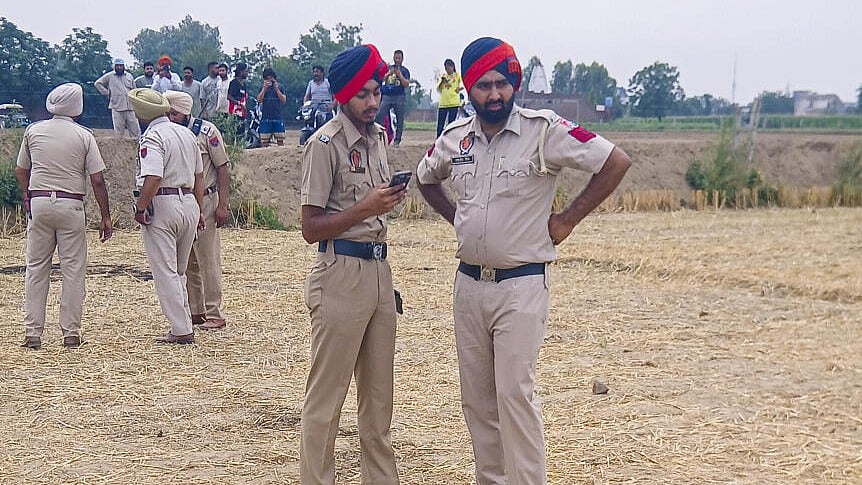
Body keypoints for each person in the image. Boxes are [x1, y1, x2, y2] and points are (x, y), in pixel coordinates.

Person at [415, 37, 632, 484]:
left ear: (514, 82)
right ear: (468, 89)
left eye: (502, 84)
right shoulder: (456, 138)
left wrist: (567, 220)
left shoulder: (544, 130)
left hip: (522, 286)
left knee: (515, 395)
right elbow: (425, 178)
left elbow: (615, 161)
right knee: (477, 401)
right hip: (469, 286)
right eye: (483, 86)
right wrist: (458, 219)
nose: (494, 95)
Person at [299, 44, 406, 485]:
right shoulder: (324, 145)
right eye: (363, 94)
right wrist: (364, 208)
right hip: (340, 271)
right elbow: (310, 226)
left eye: (377, 92)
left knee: (379, 401)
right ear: (342, 96)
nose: (372, 101)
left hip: (379, 272)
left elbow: (370, 207)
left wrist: (383, 203)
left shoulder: (378, 138)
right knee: (326, 400)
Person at [14, 83, 113, 350]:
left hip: (40, 202)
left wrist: (27, 197)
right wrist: (105, 216)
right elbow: (98, 180)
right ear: (77, 108)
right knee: (72, 270)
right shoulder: (84, 135)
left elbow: (21, 170)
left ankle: (33, 332)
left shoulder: (33, 131)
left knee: (36, 268)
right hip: (71, 205)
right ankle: (71, 332)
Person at [128, 88, 205, 345]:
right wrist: (200, 208)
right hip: (189, 202)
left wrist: (141, 207)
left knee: (166, 270)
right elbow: (199, 177)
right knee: (179, 270)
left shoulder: (152, 137)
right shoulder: (186, 133)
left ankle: (181, 329)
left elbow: (154, 176)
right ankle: (183, 320)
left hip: (164, 203)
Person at [164, 91, 231, 331]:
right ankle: (196, 310)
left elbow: (222, 167)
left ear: (186, 112)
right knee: (188, 259)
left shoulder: (207, 132)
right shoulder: (170, 134)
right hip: (184, 201)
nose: (170, 118)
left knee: (208, 258)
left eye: (174, 113)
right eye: (167, 113)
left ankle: (214, 311)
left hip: (208, 200)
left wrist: (223, 204)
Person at [94, 58, 141, 138]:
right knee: (119, 133)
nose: (119, 67)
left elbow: (134, 90)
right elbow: (98, 83)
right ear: (114, 66)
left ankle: (138, 148)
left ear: (124, 66)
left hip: (130, 108)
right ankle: (120, 150)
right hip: (117, 107)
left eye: (121, 66)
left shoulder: (129, 76)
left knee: (136, 132)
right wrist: (107, 93)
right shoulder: (109, 76)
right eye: (117, 66)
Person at [374, 49, 410, 147]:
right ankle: (378, 136)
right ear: (393, 58)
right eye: (396, 57)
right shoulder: (389, 68)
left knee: (399, 118)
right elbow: (381, 79)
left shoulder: (404, 70)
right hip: (387, 96)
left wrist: (399, 75)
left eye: (399, 58)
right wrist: (389, 73)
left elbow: (406, 84)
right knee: (379, 116)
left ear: (402, 59)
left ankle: (397, 140)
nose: (397, 60)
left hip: (399, 96)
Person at [256, 68, 287, 147]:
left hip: (277, 116)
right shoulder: (262, 87)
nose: (270, 81)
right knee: (264, 141)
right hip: (265, 117)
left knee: (280, 140)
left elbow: (283, 100)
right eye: (267, 79)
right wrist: (264, 88)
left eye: (271, 79)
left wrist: (277, 90)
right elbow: (259, 100)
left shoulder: (280, 87)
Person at [435, 58, 462, 137]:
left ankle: (450, 139)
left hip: (454, 103)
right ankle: (438, 139)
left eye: (449, 67)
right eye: (446, 68)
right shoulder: (443, 77)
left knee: (451, 124)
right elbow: (438, 89)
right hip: (443, 103)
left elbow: (462, 85)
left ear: (453, 67)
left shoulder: (457, 76)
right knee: (440, 124)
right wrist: (442, 82)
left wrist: (459, 88)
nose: (448, 70)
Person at [227, 63, 249, 141]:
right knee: (234, 131)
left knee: (241, 132)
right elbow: (229, 96)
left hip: (242, 112)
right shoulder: (234, 83)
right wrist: (238, 103)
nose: (247, 73)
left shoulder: (244, 85)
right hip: (234, 112)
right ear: (240, 72)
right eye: (246, 71)